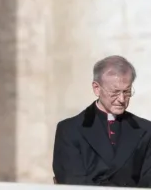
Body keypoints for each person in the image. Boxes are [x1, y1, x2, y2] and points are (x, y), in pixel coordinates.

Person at [53, 55, 151, 187]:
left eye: (127, 92)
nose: (122, 99)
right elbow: (72, 181)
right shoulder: (69, 129)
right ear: (96, 88)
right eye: (115, 92)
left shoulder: (146, 130)